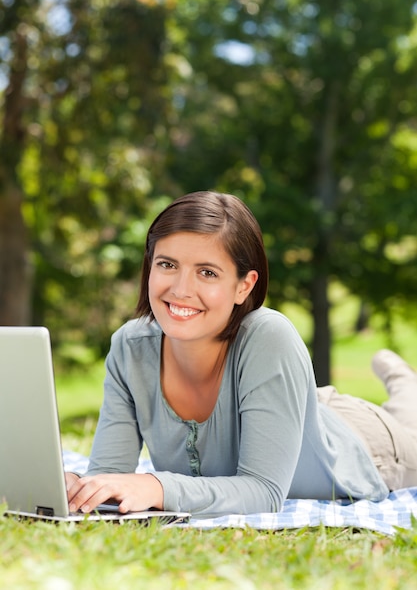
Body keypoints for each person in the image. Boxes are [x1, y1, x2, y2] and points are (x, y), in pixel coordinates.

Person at [66, 191, 417, 516]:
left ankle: (403, 381)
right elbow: (109, 475)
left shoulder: (268, 336)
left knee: (409, 415)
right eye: (167, 265)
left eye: (207, 272)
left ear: (243, 285)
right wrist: (80, 489)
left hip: (371, 445)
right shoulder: (131, 347)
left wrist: (159, 486)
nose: (181, 289)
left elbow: (263, 491)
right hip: (296, 409)